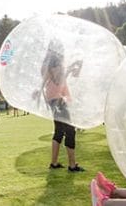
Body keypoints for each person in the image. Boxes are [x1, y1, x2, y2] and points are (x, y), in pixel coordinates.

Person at [42, 40, 84, 172]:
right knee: (70, 131)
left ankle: (54, 163)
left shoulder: (47, 64)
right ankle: (72, 165)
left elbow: (73, 76)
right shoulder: (54, 63)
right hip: (58, 100)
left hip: (54, 99)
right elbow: (59, 79)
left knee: (59, 132)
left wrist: (78, 66)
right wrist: (71, 67)